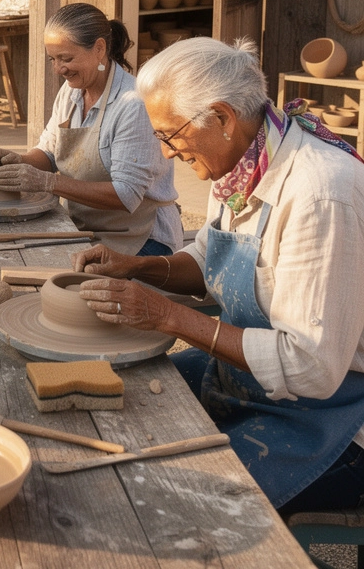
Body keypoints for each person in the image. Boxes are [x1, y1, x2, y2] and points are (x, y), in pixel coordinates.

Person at [72, 37, 364, 514]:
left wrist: (169, 318)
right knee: (115, 390)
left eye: (170, 135)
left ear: (223, 118)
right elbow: (211, 261)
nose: (166, 154)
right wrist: (137, 266)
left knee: (174, 501)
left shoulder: (318, 193)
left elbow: (312, 366)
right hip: (250, 378)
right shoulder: (243, 162)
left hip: (335, 418)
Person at [0, 3, 182, 256]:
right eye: (53, 59)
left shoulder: (134, 104)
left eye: (66, 58)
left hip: (140, 238)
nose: (58, 69)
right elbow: (50, 152)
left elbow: (126, 195)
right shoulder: (71, 92)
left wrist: (47, 182)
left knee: (65, 287)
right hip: (86, 227)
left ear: (99, 49)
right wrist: (18, 162)